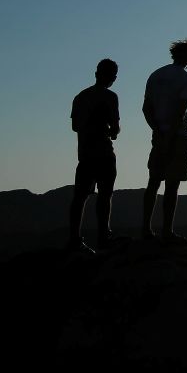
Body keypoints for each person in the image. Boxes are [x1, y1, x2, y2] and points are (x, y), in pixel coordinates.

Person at [142, 38, 187, 242]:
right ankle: (167, 231)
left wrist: (158, 131)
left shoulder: (155, 75)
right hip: (179, 136)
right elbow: (179, 111)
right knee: (172, 185)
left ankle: (146, 229)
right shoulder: (186, 79)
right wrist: (170, 136)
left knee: (153, 181)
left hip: (158, 134)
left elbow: (146, 108)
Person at [67, 58, 121, 252]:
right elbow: (115, 128)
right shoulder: (111, 97)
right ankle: (103, 238)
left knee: (80, 197)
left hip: (85, 153)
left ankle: (74, 239)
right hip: (104, 153)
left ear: (96, 73)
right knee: (105, 196)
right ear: (113, 78)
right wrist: (109, 130)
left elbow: (75, 126)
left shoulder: (80, 97)